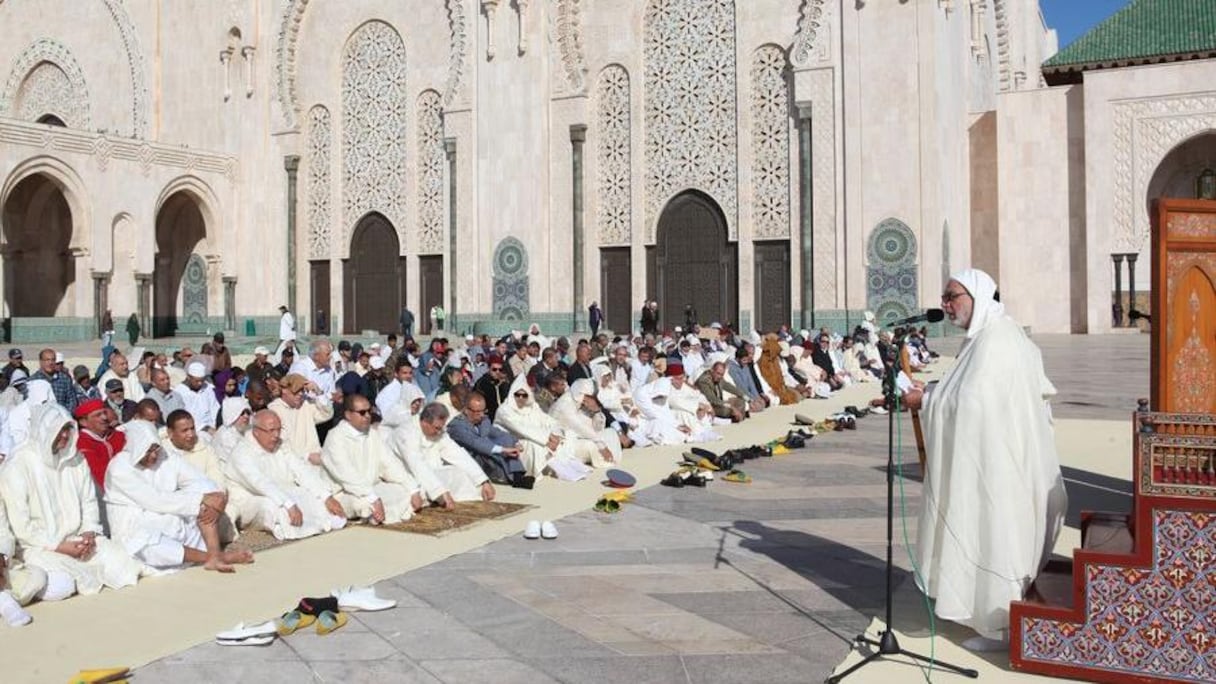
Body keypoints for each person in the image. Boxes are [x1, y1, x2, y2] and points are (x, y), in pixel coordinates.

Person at [903, 268, 1068, 652]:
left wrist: (926, 400)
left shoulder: (995, 340)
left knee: (996, 534)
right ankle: (991, 615)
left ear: (977, 296)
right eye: (944, 297)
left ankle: (1000, 624)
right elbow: (969, 390)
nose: (946, 305)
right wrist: (932, 390)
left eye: (953, 296)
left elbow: (976, 403)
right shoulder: (992, 335)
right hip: (1001, 458)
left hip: (1000, 465)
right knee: (990, 532)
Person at [0, 404, 145, 599]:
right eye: (59, 431)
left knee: (123, 563)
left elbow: (89, 502)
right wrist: (59, 546)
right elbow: (22, 526)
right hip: (40, 546)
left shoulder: (75, 459)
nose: (65, 436)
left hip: (79, 539)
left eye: (68, 429)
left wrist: (89, 533)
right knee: (62, 586)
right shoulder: (19, 464)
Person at [103, 421, 251, 573]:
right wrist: (201, 499)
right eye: (147, 451)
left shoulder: (165, 456)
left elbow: (199, 480)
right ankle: (214, 557)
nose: (154, 455)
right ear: (135, 449)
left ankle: (213, 553)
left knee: (205, 492)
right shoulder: (119, 468)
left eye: (156, 449)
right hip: (134, 525)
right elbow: (154, 500)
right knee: (146, 543)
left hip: (169, 515)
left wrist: (215, 498)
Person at [222, 410, 345, 540]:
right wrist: (287, 503)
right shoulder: (241, 453)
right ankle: (286, 528)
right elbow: (260, 483)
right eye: (271, 430)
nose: (276, 435)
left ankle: (320, 523)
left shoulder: (280, 445)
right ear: (256, 431)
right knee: (273, 506)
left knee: (312, 496)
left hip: (284, 492)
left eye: (278, 430)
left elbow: (301, 470)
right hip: (252, 499)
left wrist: (326, 497)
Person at [321, 395, 422, 524]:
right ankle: (375, 512)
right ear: (348, 415)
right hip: (345, 493)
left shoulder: (372, 434)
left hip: (372, 488)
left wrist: (412, 488)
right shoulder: (335, 437)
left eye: (370, 411)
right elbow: (346, 474)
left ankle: (379, 511)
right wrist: (371, 497)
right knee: (362, 504)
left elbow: (390, 464)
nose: (368, 416)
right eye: (362, 413)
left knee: (407, 490)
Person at [392, 402, 495, 507]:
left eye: (441, 428)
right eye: (437, 428)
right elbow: (417, 466)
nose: (439, 432)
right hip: (407, 477)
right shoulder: (406, 433)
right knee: (408, 492)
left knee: (459, 473)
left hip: (432, 475)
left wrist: (483, 481)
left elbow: (458, 454)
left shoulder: (439, 431)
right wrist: (440, 492)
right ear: (424, 422)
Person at [446, 393, 533, 488]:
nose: (482, 415)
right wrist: (503, 450)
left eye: (483, 411)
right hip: (469, 458)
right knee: (489, 448)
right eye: (478, 412)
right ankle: (510, 478)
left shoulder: (482, 420)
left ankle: (517, 475)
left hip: (483, 452)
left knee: (504, 439)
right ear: (466, 410)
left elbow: (498, 433)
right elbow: (475, 443)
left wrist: (515, 443)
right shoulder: (456, 426)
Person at [0, 501, 46, 626]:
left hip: (3, 569)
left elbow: (5, 535)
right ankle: (6, 604)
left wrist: (1, 556)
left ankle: (9, 597)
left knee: (61, 584)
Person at [174, 362, 221, 433]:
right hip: (195, 429)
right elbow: (183, 417)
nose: (200, 383)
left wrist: (218, 425)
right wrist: (204, 428)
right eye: (197, 381)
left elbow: (214, 408)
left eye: (202, 380)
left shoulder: (207, 387)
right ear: (188, 377)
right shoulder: (179, 392)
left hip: (213, 427)